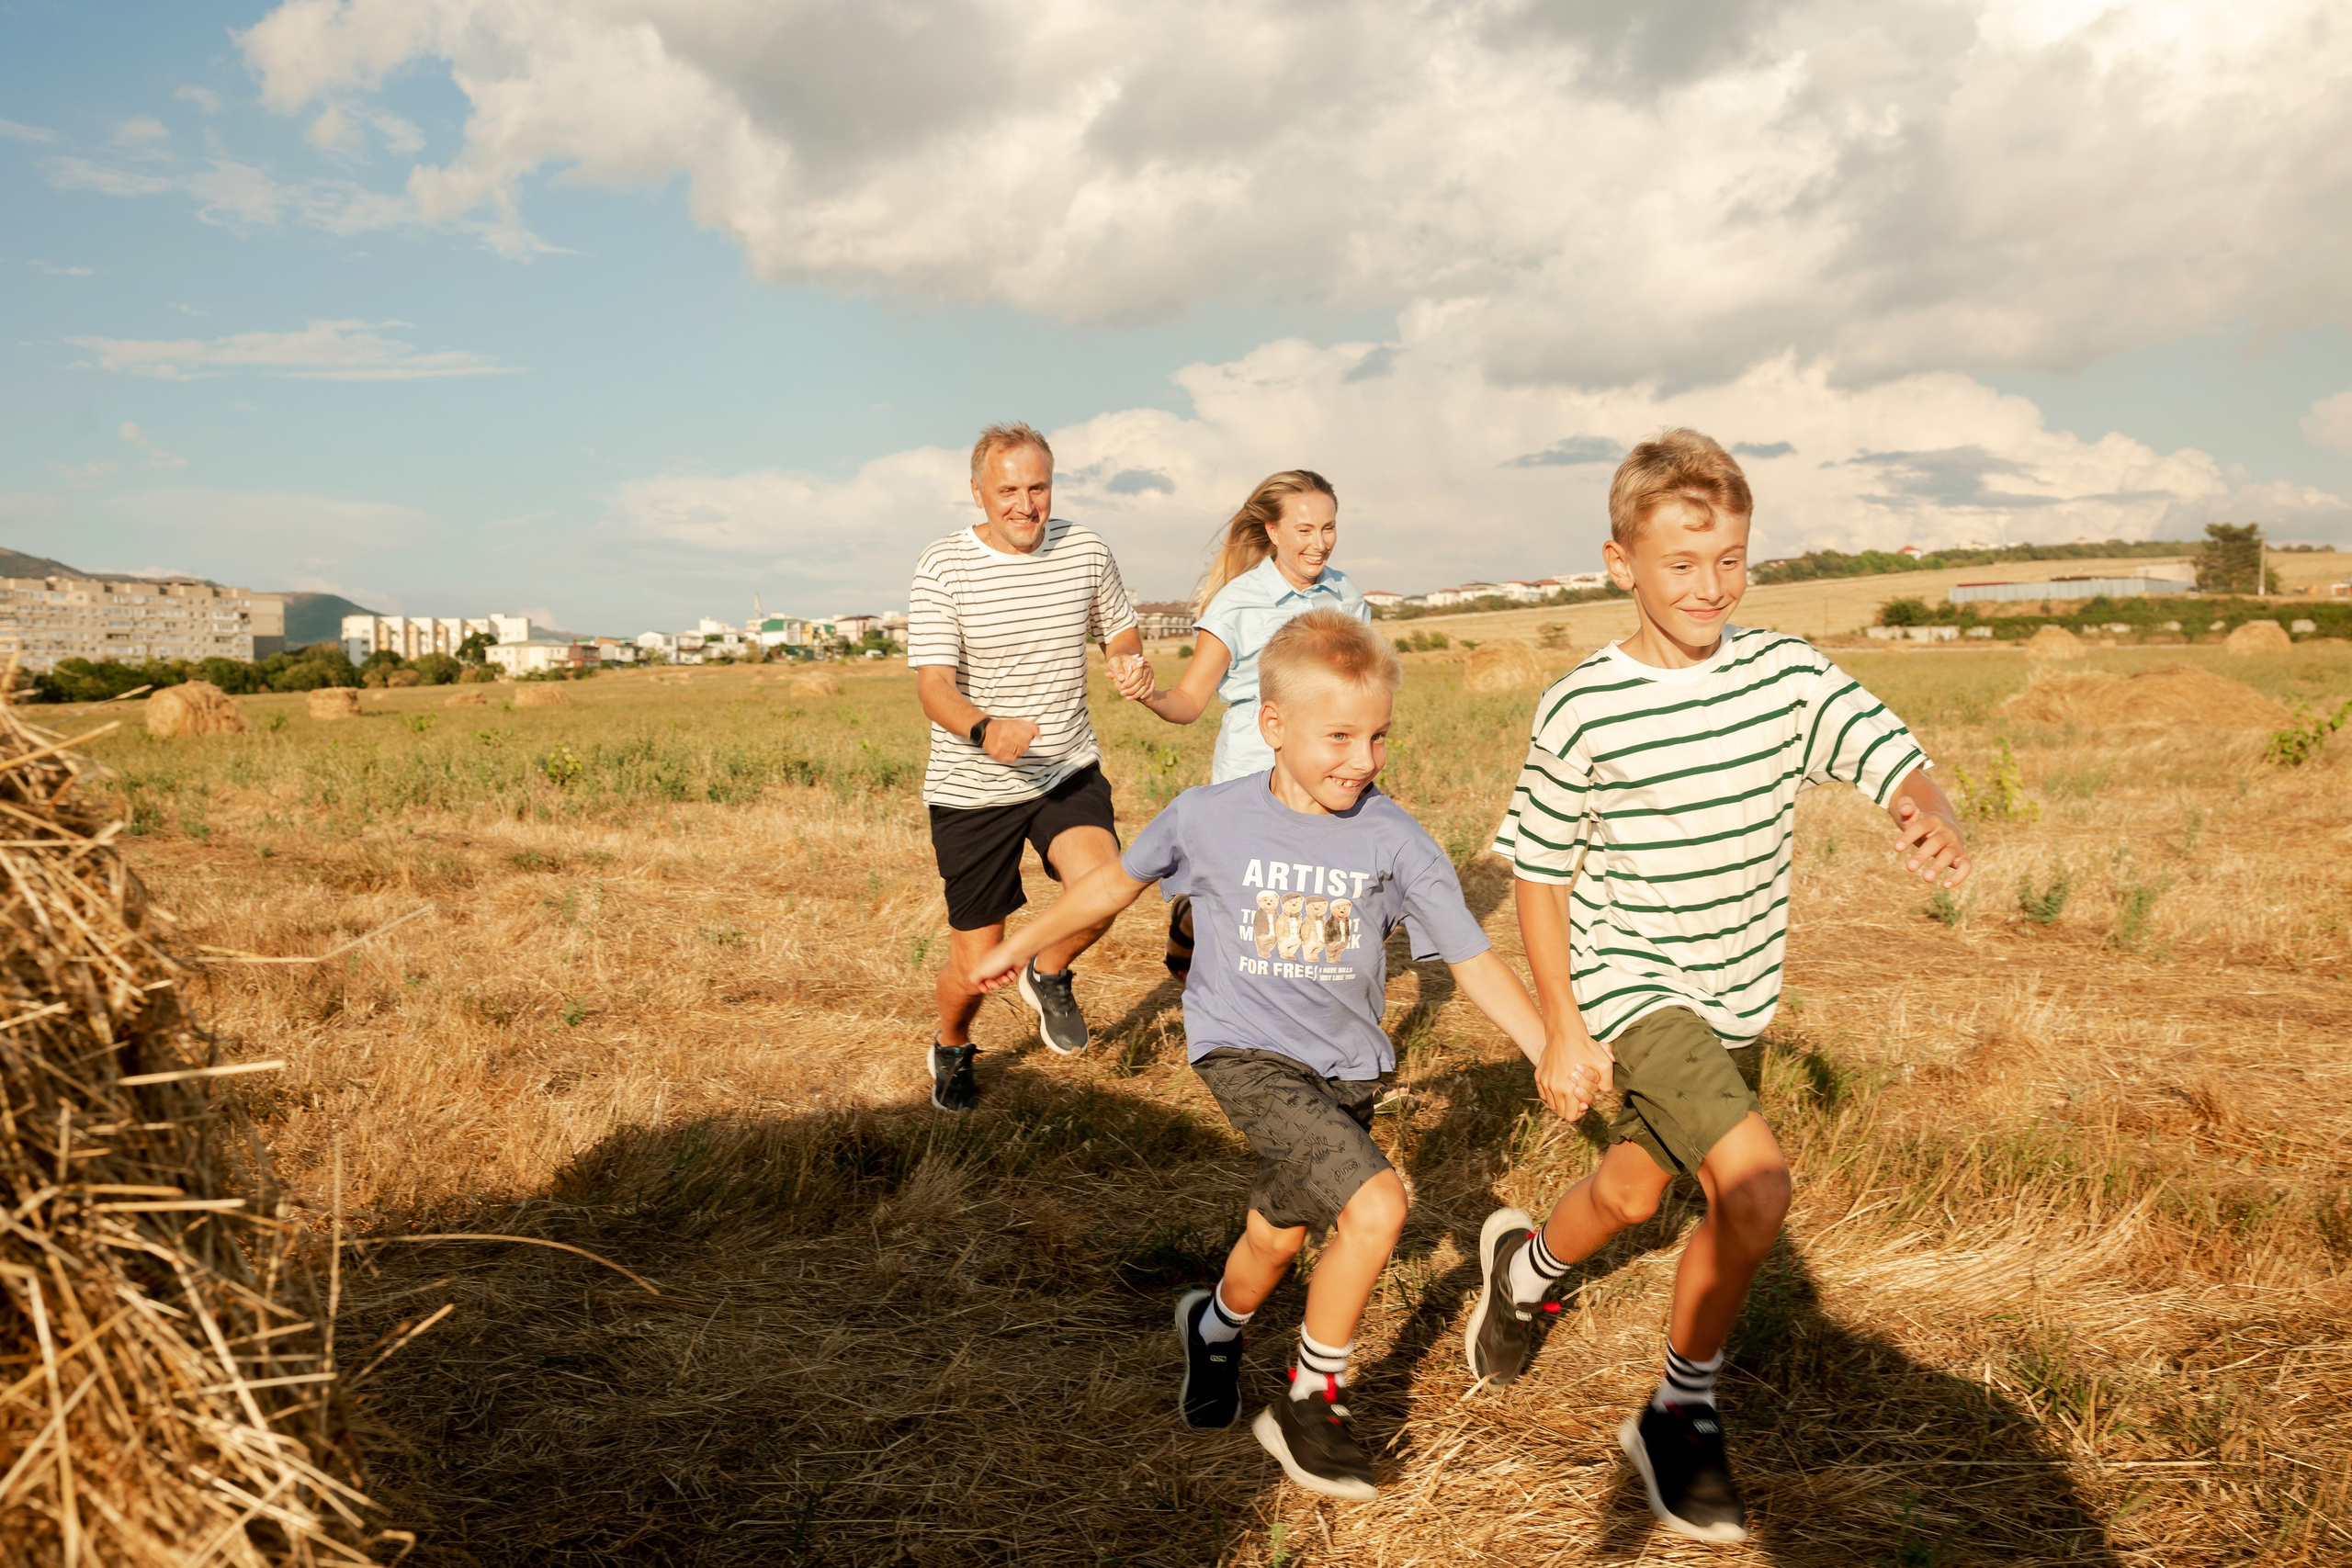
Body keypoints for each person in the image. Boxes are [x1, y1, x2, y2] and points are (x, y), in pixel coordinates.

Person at [1466, 429, 1973, 1543]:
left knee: (1636, 1193)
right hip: (1634, 982)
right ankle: (1677, 1415)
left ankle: (1530, 1264)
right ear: (1621, 564)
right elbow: (1540, 881)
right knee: (1752, 1191)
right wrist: (1562, 1028)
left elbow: (1885, 748)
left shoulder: (1782, 675)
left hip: (1741, 990)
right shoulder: (1582, 707)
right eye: (1684, 563)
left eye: (1731, 559)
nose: (1711, 586)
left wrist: (1925, 808)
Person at [966, 610, 1595, 1501]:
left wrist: (1544, 1045)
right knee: (1376, 1206)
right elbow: (1111, 883)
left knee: (1274, 1235)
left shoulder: (1396, 839)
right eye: (1339, 736)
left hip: (1348, 1069)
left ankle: (1215, 1328)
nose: (1363, 759)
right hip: (1243, 1052)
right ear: (1273, 727)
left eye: (1377, 736)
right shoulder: (1208, 818)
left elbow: (1468, 956)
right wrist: (1021, 943)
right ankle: (1313, 1401)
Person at [909, 422, 1155, 1111]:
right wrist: (984, 729)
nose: (1025, 503)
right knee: (974, 963)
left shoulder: (1086, 549)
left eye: (1037, 486)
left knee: (1109, 883)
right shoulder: (943, 566)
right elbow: (933, 687)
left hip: (1063, 768)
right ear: (978, 492)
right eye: (1008, 489)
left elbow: (1119, 625)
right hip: (973, 787)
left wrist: (1126, 658)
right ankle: (952, 1042)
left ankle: (1048, 970)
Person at [1128, 470, 1367, 976]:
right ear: (1273, 531)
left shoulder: (1346, 596)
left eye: (1328, 528)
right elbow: (1191, 699)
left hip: (1326, 772)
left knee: (1312, 905)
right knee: (1253, 906)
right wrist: (1152, 694)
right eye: (1304, 530)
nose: (1320, 543)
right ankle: (1194, 920)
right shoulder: (1236, 602)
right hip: (1251, 774)